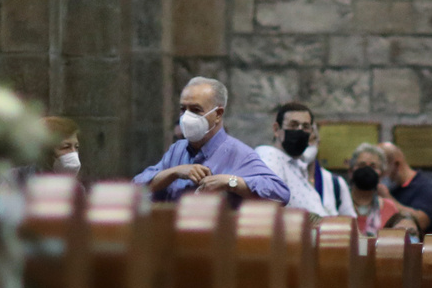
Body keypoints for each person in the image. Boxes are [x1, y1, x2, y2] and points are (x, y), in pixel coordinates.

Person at [132, 76, 291, 203]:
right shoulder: (177, 150)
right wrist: (174, 172)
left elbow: (280, 194)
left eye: (195, 110)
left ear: (218, 114)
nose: (187, 117)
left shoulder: (239, 154)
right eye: (183, 109)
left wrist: (231, 182)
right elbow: (136, 188)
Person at [256, 100, 350, 217]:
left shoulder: (297, 165)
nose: (300, 131)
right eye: (293, 125)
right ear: (276, 130)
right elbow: (269, 203)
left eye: (305, 127)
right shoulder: (270, 156)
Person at [381, 140, 432, 235]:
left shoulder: (427, 188)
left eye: (383, 168)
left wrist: (386, 197)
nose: (381, 174)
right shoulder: (394, 189)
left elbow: (420, 222)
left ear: (396, 164)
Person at [345, 143, 404, 235]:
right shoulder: (338, 204)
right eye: (361, 165)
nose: (367, 170)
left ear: (382, 175)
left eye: (373, 166)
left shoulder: (389, 209)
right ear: (350, 172)